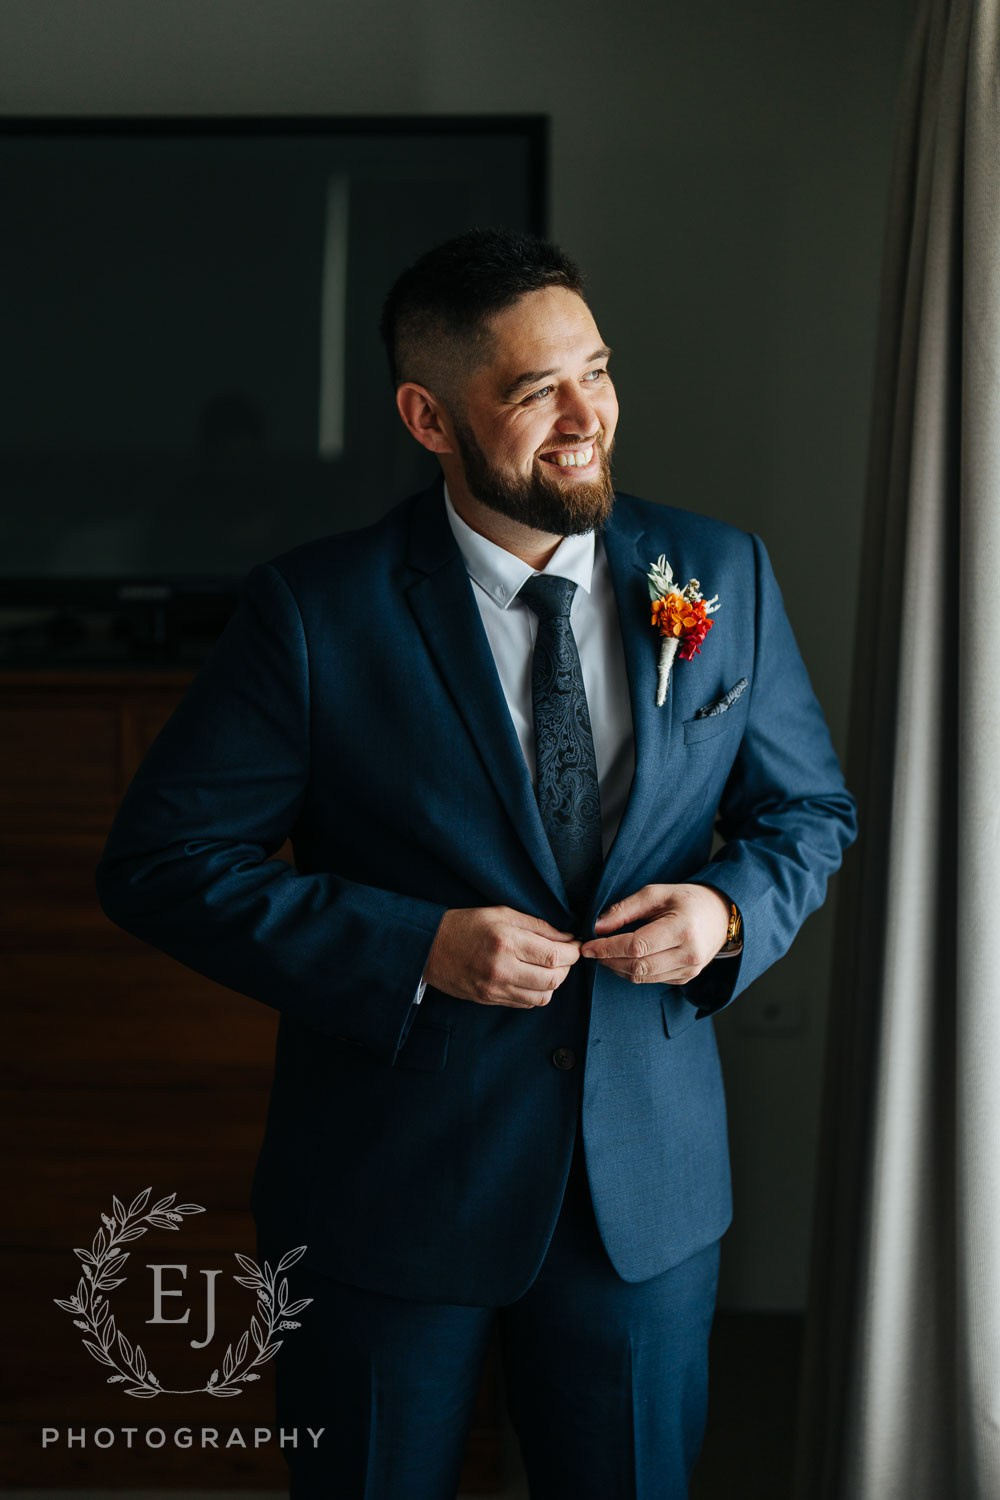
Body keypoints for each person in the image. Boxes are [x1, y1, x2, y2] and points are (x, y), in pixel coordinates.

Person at [96, 228, 857, 1499]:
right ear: (428, 416)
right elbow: (163, 862)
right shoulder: (312, 611)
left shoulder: (721, 573)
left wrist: (727, 914)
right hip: (388, 1193)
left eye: (598, 370)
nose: (586, 417)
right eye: (532, 390)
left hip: (645, 1199)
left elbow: (810, 814)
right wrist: (415, 946)